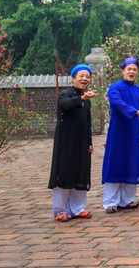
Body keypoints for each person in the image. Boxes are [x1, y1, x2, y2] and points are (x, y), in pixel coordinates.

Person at [102, 57, 139, 214]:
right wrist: (134, 112)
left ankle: (127, 199)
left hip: (134, 130)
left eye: (134, 69)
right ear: (122, 70)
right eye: (129, 69)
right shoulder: (114, 88)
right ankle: (111, 202)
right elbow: (117, 103)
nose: (132, 72)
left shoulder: (138, 90)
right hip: (118, 131)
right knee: (116, 163)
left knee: (131, 162)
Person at [49, 64, 96, 222]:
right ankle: (61, 210)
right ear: (73, 78)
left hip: (82, 142)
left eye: (87, 76)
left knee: (80, 173)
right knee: (65, 173)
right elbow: (65, 105)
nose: (84, 79)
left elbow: (87, 123)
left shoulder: (87, 99)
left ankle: (77, 208)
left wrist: (89, 142)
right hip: (66, 142)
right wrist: (82, 98)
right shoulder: (66, 95)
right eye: (81, 76)